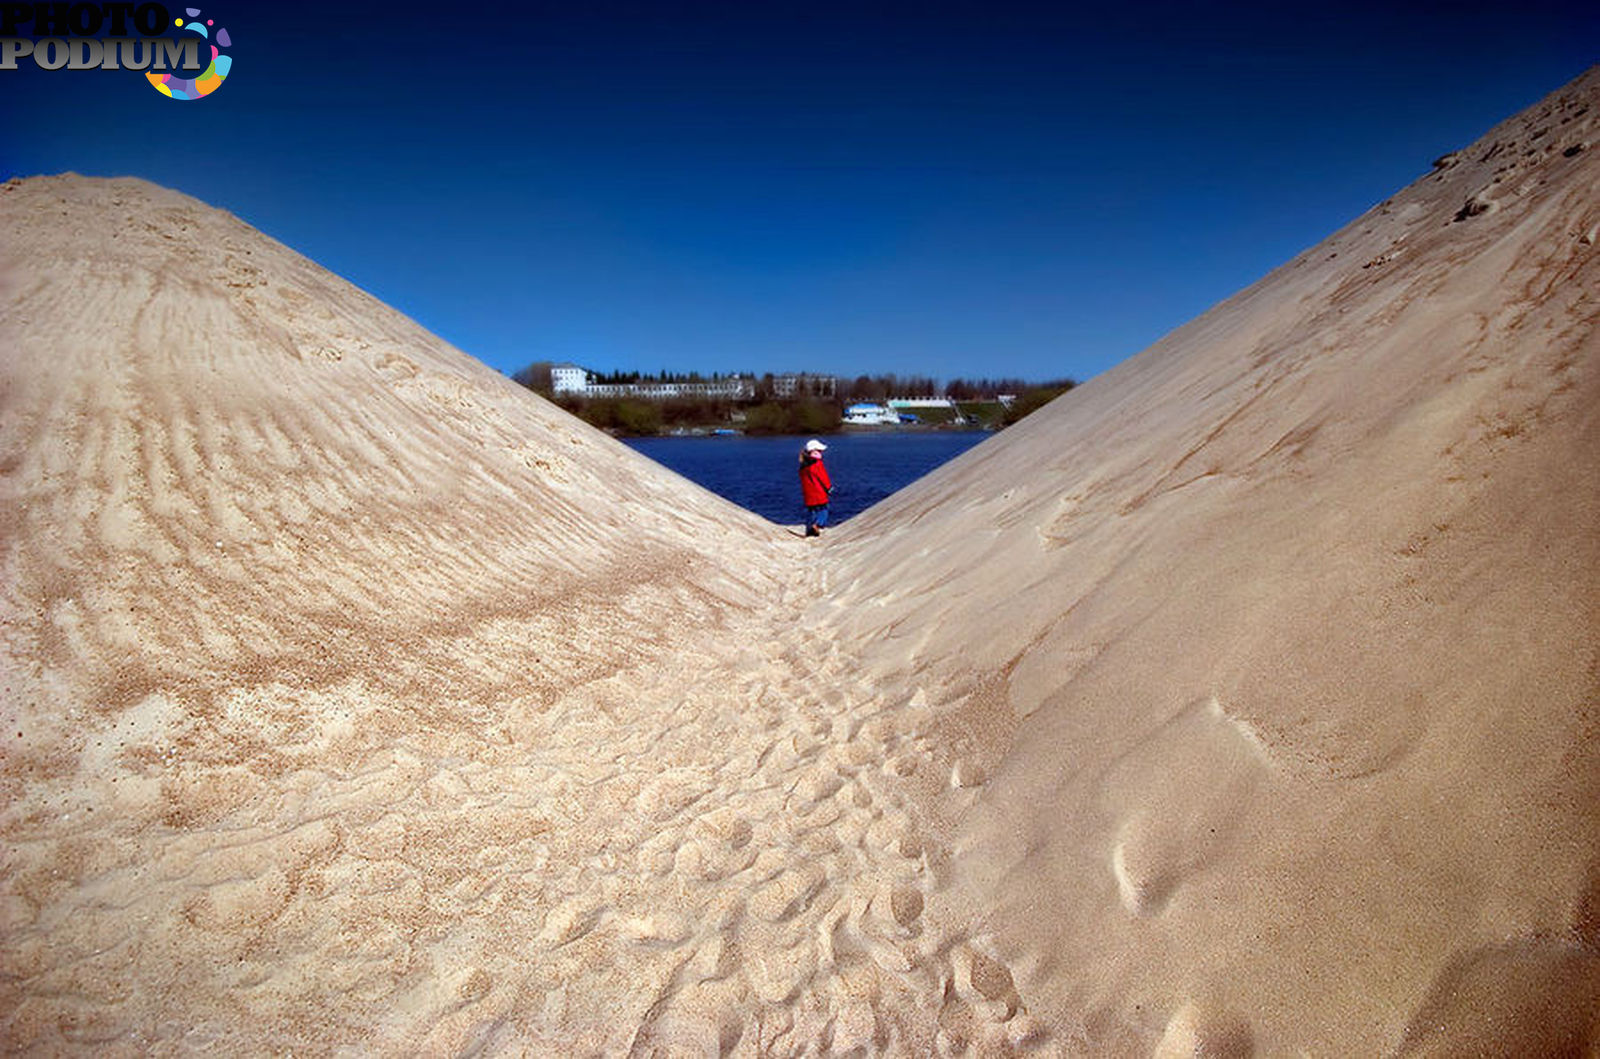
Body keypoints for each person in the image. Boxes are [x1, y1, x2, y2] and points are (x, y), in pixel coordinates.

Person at [798, 438, 832, 536]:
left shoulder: (803, 465)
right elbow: (823, 477)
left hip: (808, 493)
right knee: (824, 509)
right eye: (820, 450)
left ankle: (809, 530)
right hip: (819, 492)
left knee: (811, 511)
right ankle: (818, 525)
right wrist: (829, 488)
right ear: (815, 451)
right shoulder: (817, 464)